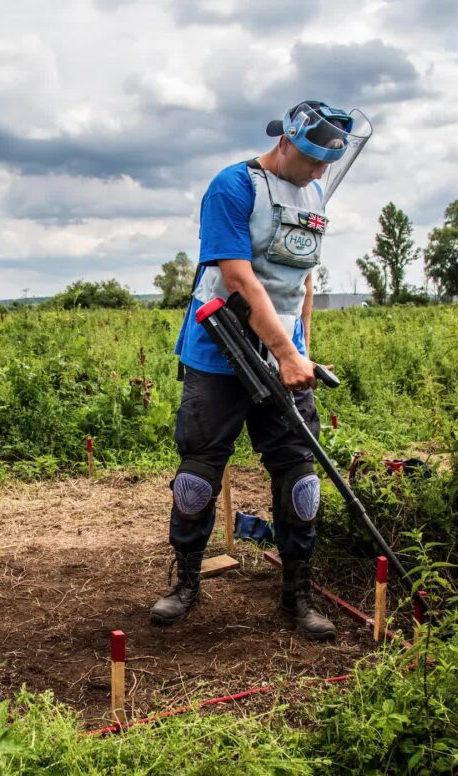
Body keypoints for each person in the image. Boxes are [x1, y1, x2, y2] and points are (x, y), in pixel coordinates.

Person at [151, 100, 364, 641]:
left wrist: (302, 349)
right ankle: (187, 583)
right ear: (286, 143)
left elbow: (303, 279)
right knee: (198, 477)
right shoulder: (232, 186)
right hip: (219, 350)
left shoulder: (314, 192)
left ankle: (297, 597)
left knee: (301, 479)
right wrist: (286, 353)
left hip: (283, 353)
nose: (320, 173)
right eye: (313, 160)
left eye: (327, 164)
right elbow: (240, 278)